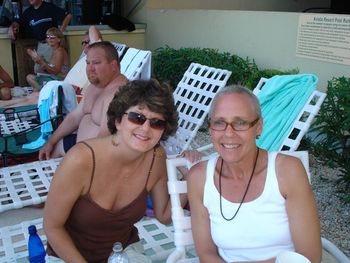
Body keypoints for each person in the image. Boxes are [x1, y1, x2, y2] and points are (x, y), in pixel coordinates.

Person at [43, 79, 185, 262]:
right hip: (70, 256)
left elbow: (164, 215)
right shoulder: (81, 160)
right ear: (118, 120)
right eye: (137, 117)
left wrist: (188, 178)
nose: (145, 128)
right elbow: (52, 226)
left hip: (123, 252)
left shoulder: (156, 158)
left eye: (156, 122)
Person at [187, 85, 321, 263]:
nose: (228, 133)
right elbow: (206, 253)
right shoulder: (199, 178)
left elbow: (309, 255)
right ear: (211, 128)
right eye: (219, 122)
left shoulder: (287, 172)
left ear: (258, 127)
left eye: (240, 122)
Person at [38, 41, 128, 160]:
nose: (90, 68)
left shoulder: (118, 93)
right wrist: (50, 142)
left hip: (97, 157)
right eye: (87, 63)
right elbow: (74, 117)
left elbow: (105, 139)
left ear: (113, 66)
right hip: (81, 147)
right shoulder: (95, 86)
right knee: (51, 151)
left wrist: (77, 157)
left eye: (96, 63)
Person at [7, 0, 71, 73]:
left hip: (52, 44)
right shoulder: (28, 11)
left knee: (51, 71)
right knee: (38, 71)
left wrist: (59, 33)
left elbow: (68, 16)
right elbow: (18, 22)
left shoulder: (49, 7)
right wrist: (11, 27)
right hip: (40, 45)